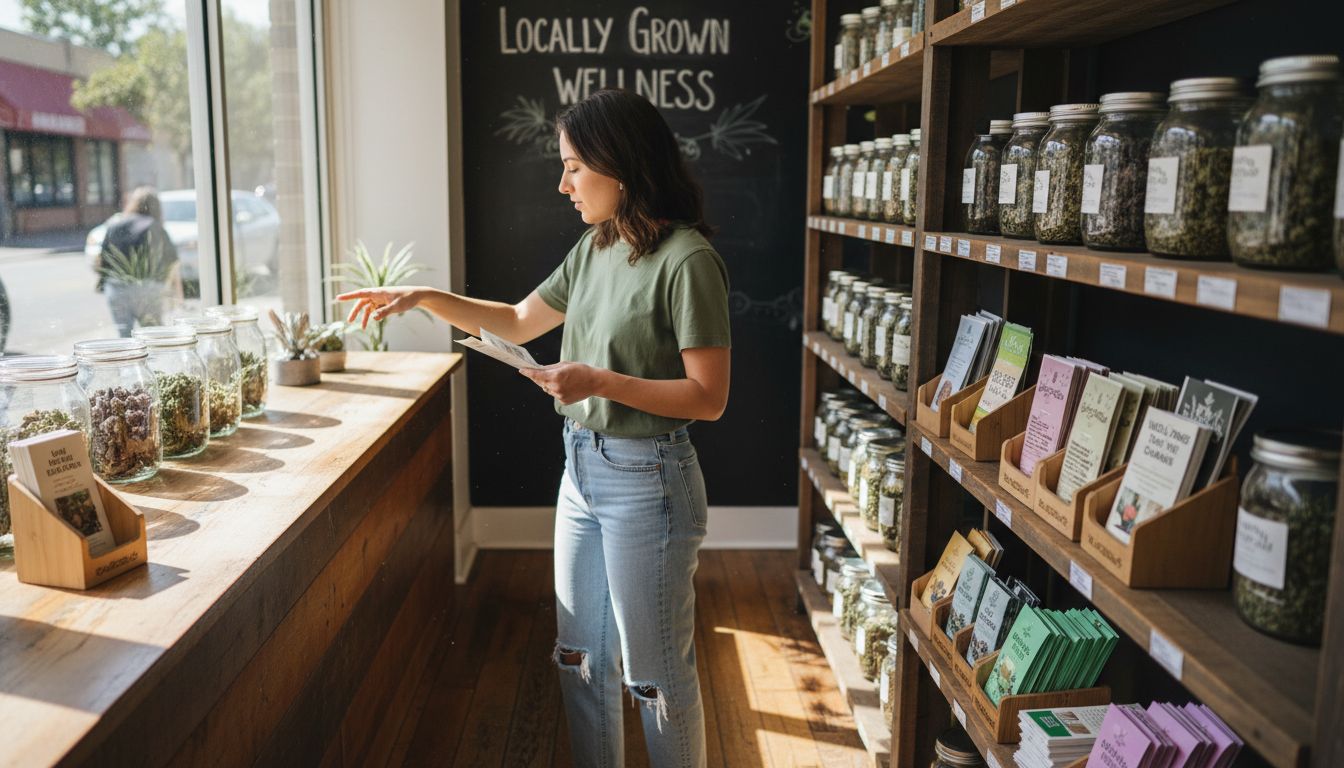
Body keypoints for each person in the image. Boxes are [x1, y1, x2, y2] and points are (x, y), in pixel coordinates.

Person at [337, 89, 730, 768]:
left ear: (620, 166)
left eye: (574, 166)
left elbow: (709, 397)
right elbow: (519, 321)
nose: (563, 183)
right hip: (580, 470)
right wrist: (426, 297)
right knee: (579, 660)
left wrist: (598, 381)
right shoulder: (593, 247)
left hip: (650, 482)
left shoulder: (687, 260)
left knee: (656, 678)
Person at [98, 186, 182, 336]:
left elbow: (103, 260)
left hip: (116, 289)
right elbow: (172, 263)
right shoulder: (154, 227)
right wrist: (174, 293)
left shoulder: (115, 225)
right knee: (153, 336)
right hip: (148, 289)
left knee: (125, 338)